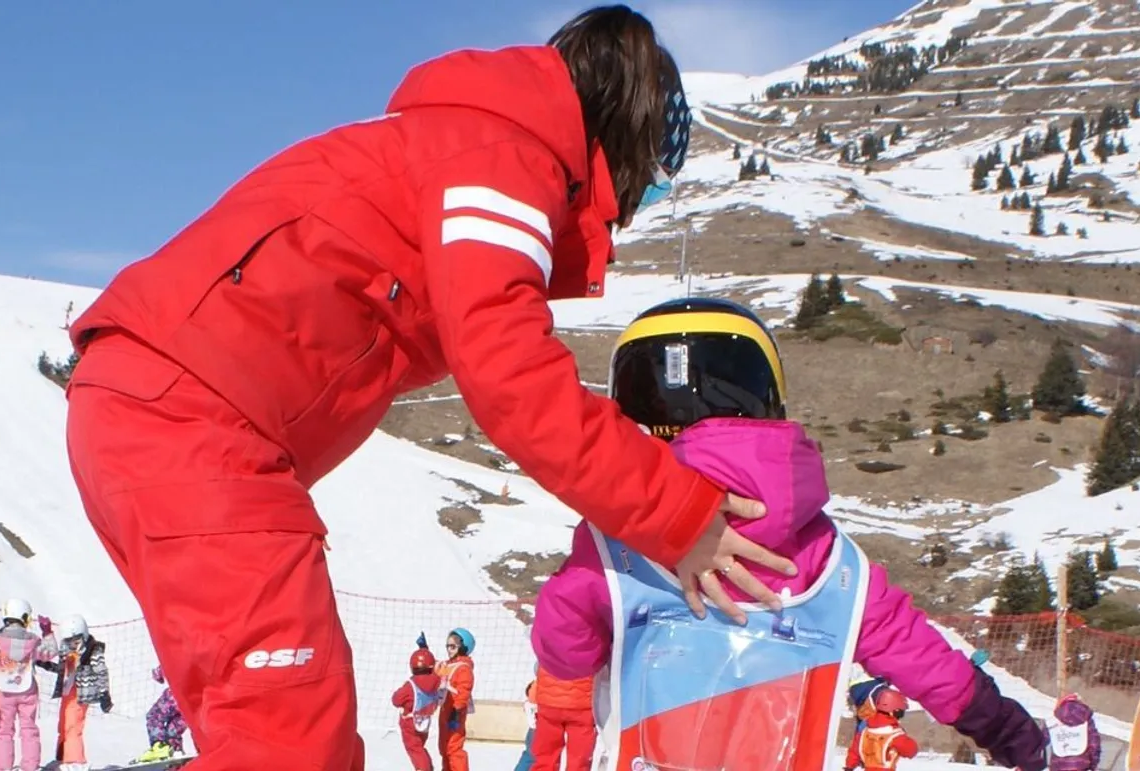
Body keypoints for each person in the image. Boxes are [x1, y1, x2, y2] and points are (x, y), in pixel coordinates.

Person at [61, 6, 792, 766]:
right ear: (626, 140)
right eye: (651, 182)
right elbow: (510, 376)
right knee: (292, 745)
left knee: (270, 733)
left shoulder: (463, 145)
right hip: (192, 425)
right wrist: (677, 512)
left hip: (156, 416)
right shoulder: (500, 156)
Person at [530, 298, 1051, 771]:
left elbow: (563, 635)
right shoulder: (830, 559)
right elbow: (913, 651)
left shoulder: (616, 541)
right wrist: (1004, 727)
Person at [37, 614, 112, 771]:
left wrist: (104, 693)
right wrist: (45, 665)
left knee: (73, 726)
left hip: (81, 694)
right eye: (69, 641)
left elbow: (101, 672)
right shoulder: (67, 649)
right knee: (63, 724)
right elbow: (62, 669)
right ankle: (62, 757)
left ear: (84, 635)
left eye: (76, 640)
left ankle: (75, 760)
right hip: (67, 692)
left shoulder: (92, 650)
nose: (72, 644)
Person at [0, 599, 46, 771]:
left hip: (4, 689)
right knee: (29, 728)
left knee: (4, 730)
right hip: (27, 689)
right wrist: (48, 633)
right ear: (25, 617)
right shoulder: (34, 641)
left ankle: (3, 766)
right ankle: (30, 765)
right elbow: (50, 653)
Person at [527, 666, 595, 771]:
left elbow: (538, 665)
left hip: (549, 702)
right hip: (581, 704)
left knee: (545, 757)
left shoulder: (549, 648)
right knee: (579, 759)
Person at [390, 640, 444, 771]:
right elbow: (435, 667)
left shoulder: (410, 686)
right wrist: (426, 650)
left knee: (414, 748)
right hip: (424, 721)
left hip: (409, 723)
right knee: (420, 746)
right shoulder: (436, 680)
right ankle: (427, 766)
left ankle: (423, 768)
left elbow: (396, 700)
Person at [844, 682, 918, 771]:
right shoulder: (894, 734)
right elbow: (911, 751)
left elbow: (854, 751)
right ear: (894, 711)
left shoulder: (865, 730)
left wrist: (849, 766)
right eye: (900, 713)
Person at [436, 630, 477, 771]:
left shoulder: (464, 668)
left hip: (455, 713)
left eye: (453, 647)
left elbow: (464, 690)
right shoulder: (450, 665)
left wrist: (457, 710)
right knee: (444, 746)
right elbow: (436, 670)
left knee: (454, 748)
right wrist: (424, 650)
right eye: (447, 646)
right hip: (445, 711)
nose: (449, 650)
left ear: (463, 648)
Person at [140, 666, 189, 763]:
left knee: (154, 717)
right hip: (193, 700)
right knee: (173, 729)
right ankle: (175, 750)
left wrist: (157, 672)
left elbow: (160, 674)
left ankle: (160, 747)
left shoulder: (175, 655)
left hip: (176, 694)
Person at [1048, 692, 1101, 771]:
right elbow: (1094, 744)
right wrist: (1093, 764)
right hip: (1082, 765)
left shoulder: (1054, 721)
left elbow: (1042, 743)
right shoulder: (1086, 721)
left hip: (1058, 766)